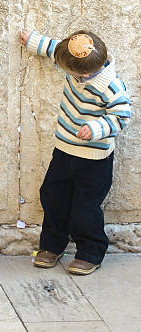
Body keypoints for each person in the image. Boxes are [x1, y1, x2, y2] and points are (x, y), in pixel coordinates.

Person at [19, 29, 131, 275]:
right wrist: (34, 41)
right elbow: (56, 50)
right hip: (65, 150)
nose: (63, 71)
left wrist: (96, 128)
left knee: (85, 207)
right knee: (52, 196)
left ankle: (90, 252)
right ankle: (51, 245)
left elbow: (122, 116)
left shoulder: (110, 87)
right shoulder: (75, 61)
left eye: (66, 71)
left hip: (94, 159)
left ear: (83, 73)